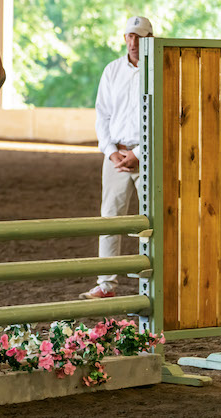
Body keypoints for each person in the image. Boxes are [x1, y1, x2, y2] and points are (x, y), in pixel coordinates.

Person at [80, 16, 154, 299]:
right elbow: (103, 115)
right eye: (129, 36)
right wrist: (111, 152)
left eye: (139, 36)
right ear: (125, 39)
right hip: (116, 156)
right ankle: (106, 284)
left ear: (150, 38)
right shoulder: (112, 71)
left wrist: (138, 153)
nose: (133, 42)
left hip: (148, 155)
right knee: (110, 218)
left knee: (154, 222)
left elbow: (163, 117)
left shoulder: (159, 70)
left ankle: (157, 282)